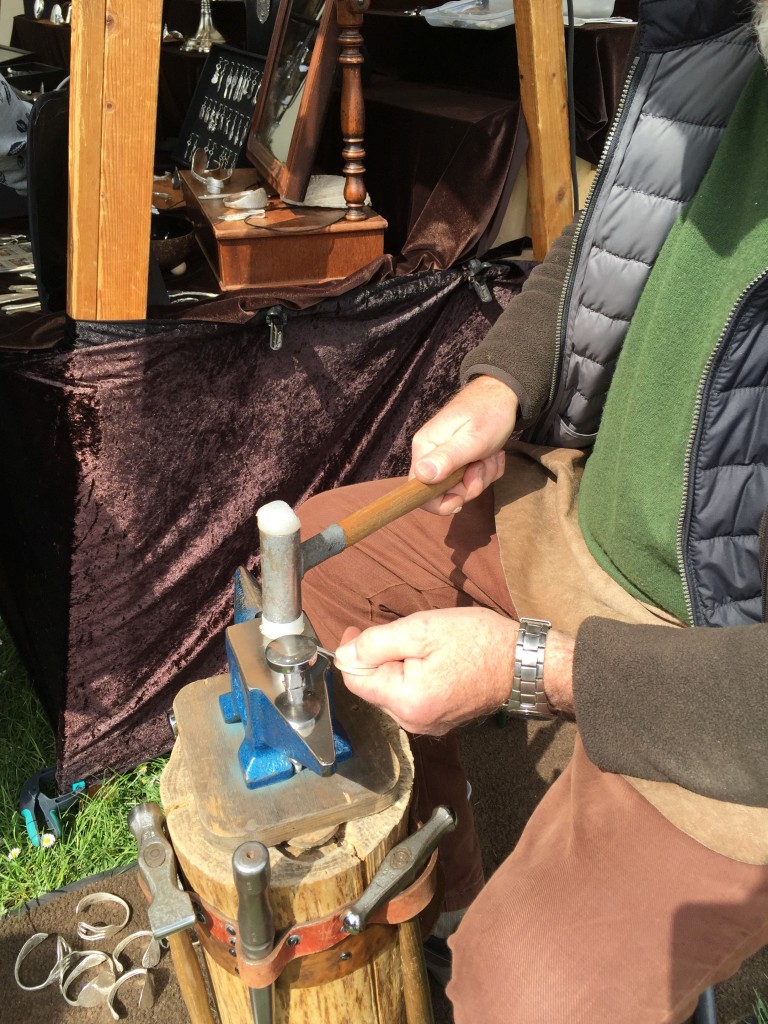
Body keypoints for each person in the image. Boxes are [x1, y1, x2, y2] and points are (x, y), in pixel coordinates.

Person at [299, 1, 768, 1021]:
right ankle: (446, 892)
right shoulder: (729, 41)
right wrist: (502, 383)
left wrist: (532, 668)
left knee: (527, 991)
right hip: (585, 525)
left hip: (730, 684)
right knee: (329, 573)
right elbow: (609, 247)